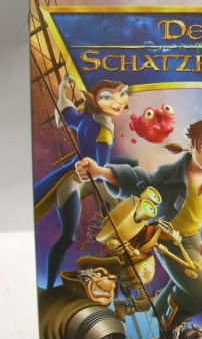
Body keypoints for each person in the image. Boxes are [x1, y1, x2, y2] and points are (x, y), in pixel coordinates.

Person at [75, 120, 202, 330]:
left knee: (181, 285)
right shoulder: (171, 175)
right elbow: (140, 182)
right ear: (191, 146)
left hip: (194, 240)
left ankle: (155, 312)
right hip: (171, 242)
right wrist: (101, 172)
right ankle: (172, 324)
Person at [34, 75, 130, 289]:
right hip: (78, 179)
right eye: (108, 97)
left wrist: (62, 91)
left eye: (122, 95)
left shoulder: (89, 119)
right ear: (94, 100)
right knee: (68, 237)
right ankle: (49, 286)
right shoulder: (103, 129)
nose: (118, 102)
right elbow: (101, 166)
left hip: (87, 175)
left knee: (116, 209)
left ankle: (122, 262)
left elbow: (68, 117)